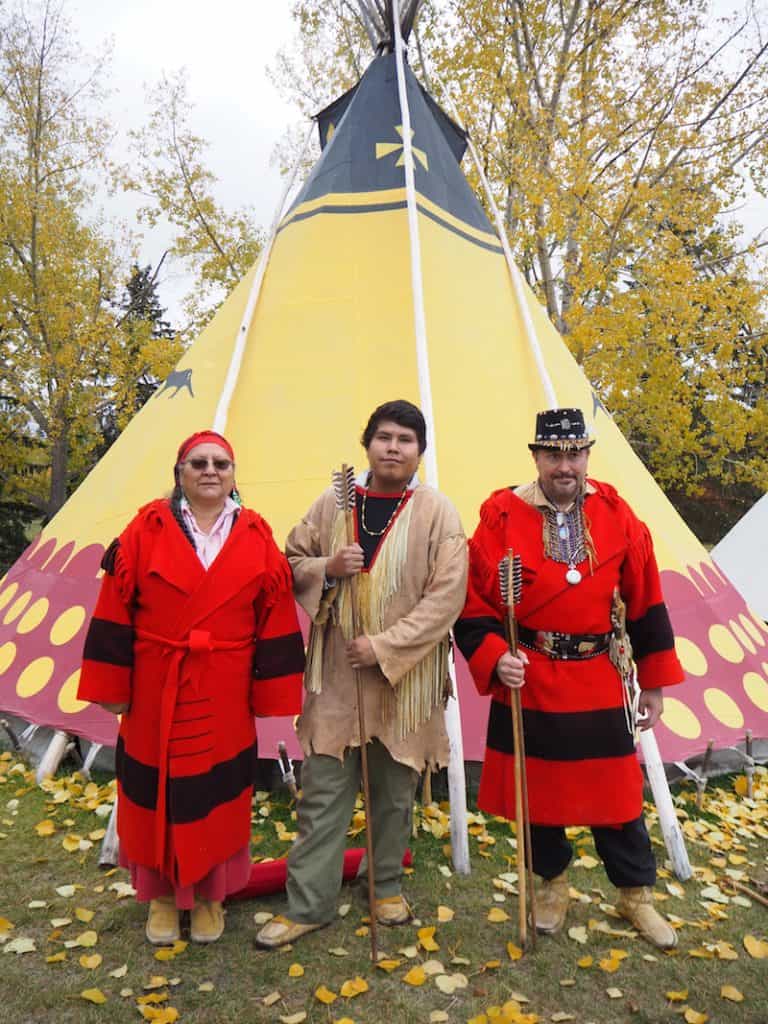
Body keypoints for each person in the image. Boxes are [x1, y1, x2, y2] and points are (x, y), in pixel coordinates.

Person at [454, 408, 684, 949]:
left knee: (618, 794)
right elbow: (474, 601)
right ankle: (551, 885)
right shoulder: (500, 515)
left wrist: (651, 684)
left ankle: (635, 895)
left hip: (600, 676)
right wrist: (493, 656)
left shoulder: (617, 514)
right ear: (535, 457)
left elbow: (646, 598)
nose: (565, 465)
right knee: (539, 795)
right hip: (529, 676)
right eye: (554, 454)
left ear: (587, 456)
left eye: (575, 453)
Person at [78, 430, 305, 945]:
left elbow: (273, 615)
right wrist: (114, 685)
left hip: (225, 687)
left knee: (219, 792)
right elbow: (114, 605)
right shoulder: (144, 529)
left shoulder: (255, 535)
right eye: (198, 463)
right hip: (157, 682)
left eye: (221, 464)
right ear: (179, 472)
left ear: (233, 473)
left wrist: (272, 692)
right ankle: (160, 896)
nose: (210, 471)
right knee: (152, 791)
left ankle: (210, 895)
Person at [256, 400, 468, 948]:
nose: (393, 447)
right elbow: (291, 558)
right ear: (367, 443)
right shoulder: (334, 501)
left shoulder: (438, 512)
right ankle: (309, 904)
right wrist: (328, 568)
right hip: (335, 674)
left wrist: (385, 645)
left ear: (420, 451)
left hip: (406, 681)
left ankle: (385, 886)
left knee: (394, 790)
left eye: (405, 439)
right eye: (384, 437)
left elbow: (447, 597)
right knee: (324, 790)